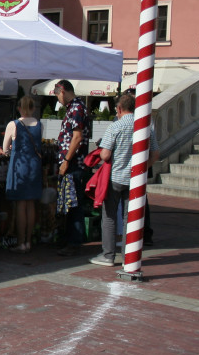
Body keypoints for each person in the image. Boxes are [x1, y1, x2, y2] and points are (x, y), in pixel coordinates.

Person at [89, 93, 160, 267]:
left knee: (110, 216)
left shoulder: (115, 126)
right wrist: (144, 168)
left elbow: (105, 154)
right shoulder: (145, 127)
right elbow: (156, 153)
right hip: (135, 178)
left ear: (119, 109)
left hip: (115, 176)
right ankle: (129, 255)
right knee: (131, 217)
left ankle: (108, 255)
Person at [0, 95, 43, 253]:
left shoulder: (14, 124)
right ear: (33, 108)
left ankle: (21, 242)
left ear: (19, 108)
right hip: (34, 166)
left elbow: (5, 149)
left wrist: (10, 149)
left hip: (20, 166)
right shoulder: (39, 124)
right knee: (31, 204)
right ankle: (29, 241)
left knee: (20, 205)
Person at [54, 80, 91, 256]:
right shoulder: (74, 107)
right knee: (70, 201)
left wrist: (66, 160)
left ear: (62, 91)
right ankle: (71, 238)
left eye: (56, 93)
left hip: (74, 163)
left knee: (74, 202)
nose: (57, 98)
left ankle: (74, 242)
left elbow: (76, 137)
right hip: (72, 163)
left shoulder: (76, 108)